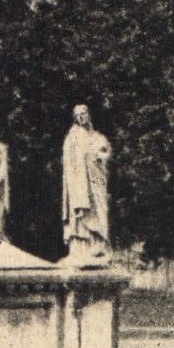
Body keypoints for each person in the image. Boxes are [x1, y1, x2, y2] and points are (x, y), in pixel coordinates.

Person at [61, 105, 113, 264]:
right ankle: (81, 247)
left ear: (89, 114)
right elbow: (68, 161)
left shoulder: (99, 137)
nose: (81, 117)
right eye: (78, 115)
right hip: (79, 184)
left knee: (100, 211)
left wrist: (101, 156)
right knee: (82, 215)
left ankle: (100, 245)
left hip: (96, 182)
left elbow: (107, 153)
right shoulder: (73, 137)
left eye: (83, 113)